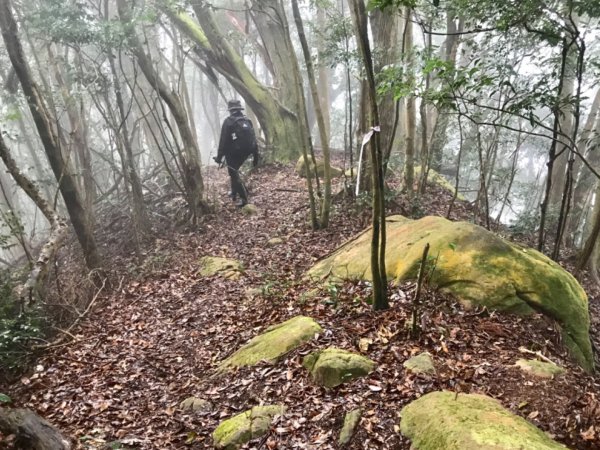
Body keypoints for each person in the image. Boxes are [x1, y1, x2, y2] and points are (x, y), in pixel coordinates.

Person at [214, 99, 259, 207]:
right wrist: (256, 156)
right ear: (239, 109)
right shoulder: (247, 120)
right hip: (247, 151)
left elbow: (223, 141)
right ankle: (234, 193)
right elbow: (253, 139)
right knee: (234, 171)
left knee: (234, 173)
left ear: (230, 110)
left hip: (234, 153)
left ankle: (244, 199)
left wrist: (219, 157)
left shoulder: (228, 122)